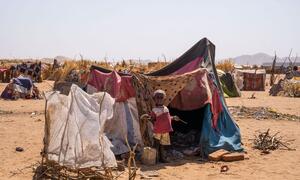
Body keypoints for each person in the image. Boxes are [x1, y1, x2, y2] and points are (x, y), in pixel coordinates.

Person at [145, 89, 181, 163]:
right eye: (157, 97)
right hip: (157, 130)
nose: (159, 99)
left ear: (164, 99)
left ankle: (162, 159)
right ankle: (156, 159)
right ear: (154, 99)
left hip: (165, 130)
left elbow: (166, 118)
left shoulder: (166, 109)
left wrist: (173, 117)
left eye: (161, 97)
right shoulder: (154, 110)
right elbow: (152, 119)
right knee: (156, 145)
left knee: (163, 145)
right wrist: (148, 118)